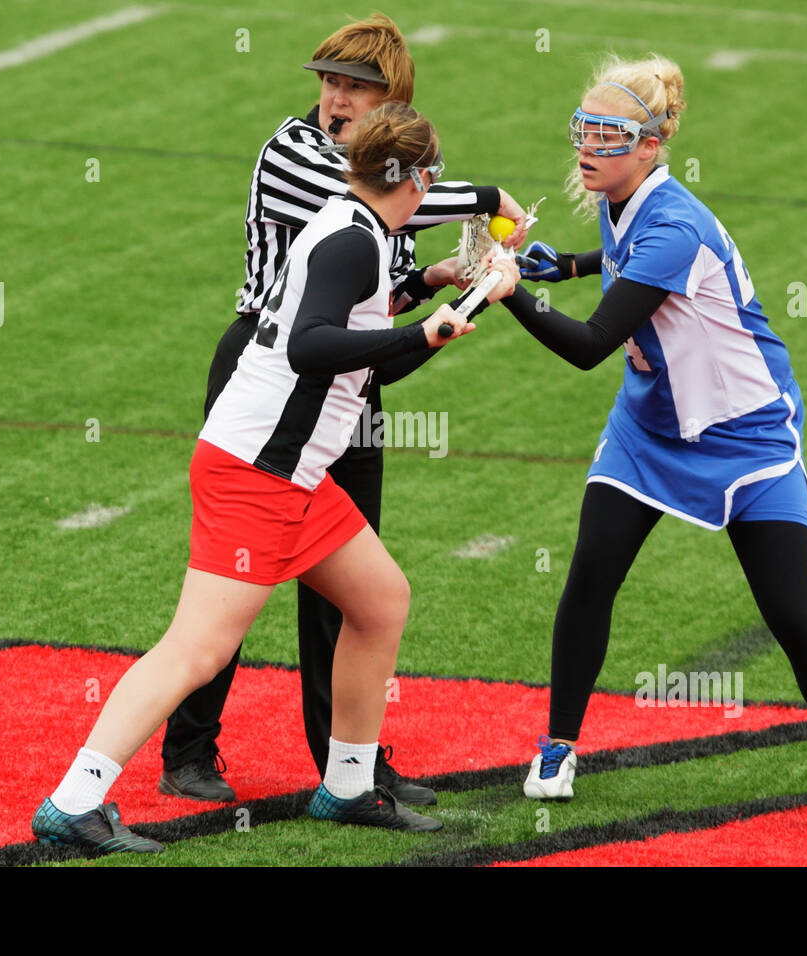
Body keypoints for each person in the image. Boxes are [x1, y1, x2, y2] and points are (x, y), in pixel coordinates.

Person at [31, 103, 521, 852]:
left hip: (291, 474)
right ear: (416, 179)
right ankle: (74, 800)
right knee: (197, 649)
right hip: (256, 472)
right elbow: (310, 345)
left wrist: (454, 298)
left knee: (382, 600)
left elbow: (373, 355)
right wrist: (431, 323)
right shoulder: (353, 243)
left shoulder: (357, 230)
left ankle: (349, 785)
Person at [504, 54, 807, 820]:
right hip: (650, 426)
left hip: (748, 437)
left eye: (608, 135)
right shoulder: (619, 197)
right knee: (591, 573)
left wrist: (512, 288)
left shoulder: (676, 226)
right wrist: (572, 264)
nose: (587, 148)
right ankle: (558, 745)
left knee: (791, 611)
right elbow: (624, 257)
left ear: (652, 145)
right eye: (582, 130)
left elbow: (590, 345)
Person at [160, 12, 530, 807]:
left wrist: (437, 281)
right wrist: (492, 198)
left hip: (348, 380)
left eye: (354, 88)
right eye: (328, 82)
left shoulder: (403, 184)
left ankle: (347, 765)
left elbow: (382, 288)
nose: (334, 100)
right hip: (266, 378)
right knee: (234, 580)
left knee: (350, 587)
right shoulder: (295, 153)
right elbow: (373, 200)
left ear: (389, 96)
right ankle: (188, 752)